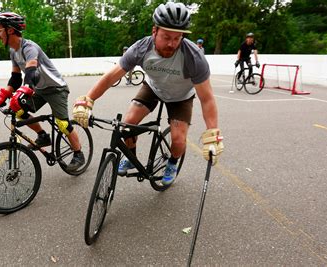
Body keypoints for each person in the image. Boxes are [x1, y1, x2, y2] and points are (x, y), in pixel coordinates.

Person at [73, 2, 223, 185]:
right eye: (166, 37)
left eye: (177, 38)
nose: (171, 44)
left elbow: (206, 99)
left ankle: (173, 162)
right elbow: (111, 77)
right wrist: (88, 99)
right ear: (154, 31)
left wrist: (213, 134)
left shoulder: (193, 56)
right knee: (127, 124)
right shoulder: (142, 48)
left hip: (180, 97)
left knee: (178, 140)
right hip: (153, 87)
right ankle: (130, 156)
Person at [0, 12, 85, 171]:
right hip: (40, 89)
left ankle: (78, 154)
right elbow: (15, 78)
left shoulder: (29, 47)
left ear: (10, 31)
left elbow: (32, 71)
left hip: (56, 88)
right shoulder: (13, 51)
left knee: (62, 123)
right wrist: (4, 94)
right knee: (18, 109)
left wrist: (25, 88)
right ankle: (43, 136)